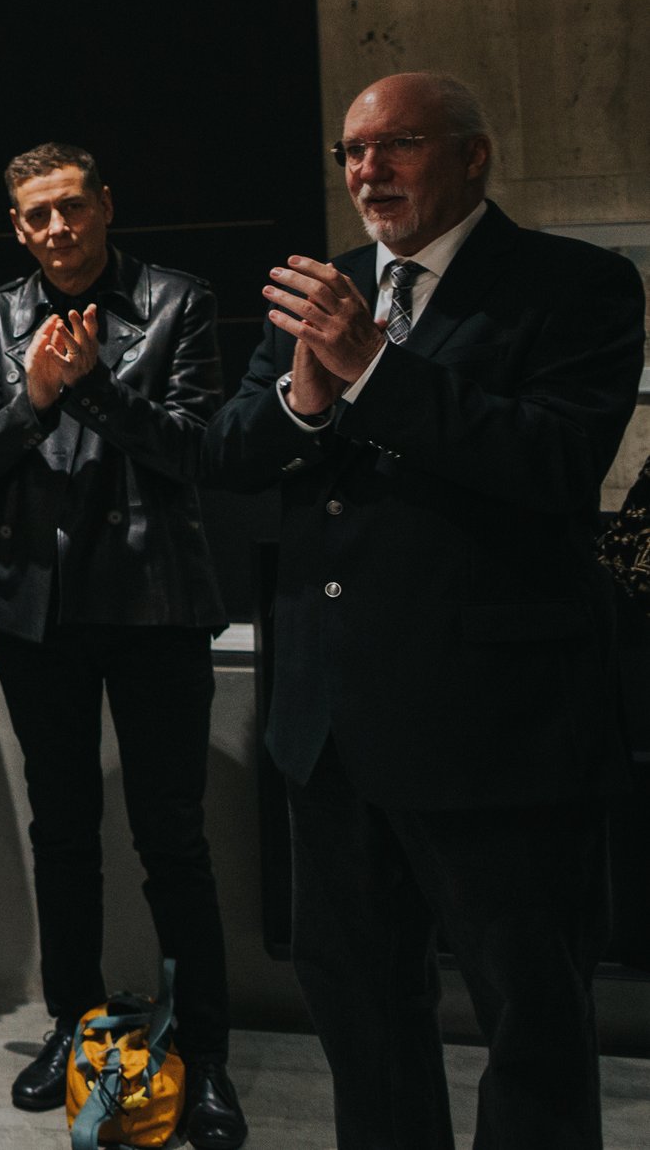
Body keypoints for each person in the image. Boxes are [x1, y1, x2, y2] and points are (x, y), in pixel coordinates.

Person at [209, 72, 644, 1150]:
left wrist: (369, 365)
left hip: (498, 731)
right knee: (363, 1018)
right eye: (351, 152)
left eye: (396, 145)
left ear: (471, 156)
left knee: (531, 1023)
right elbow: (225, 454)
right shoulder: (327, 288)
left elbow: (553, 461)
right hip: (331, 733)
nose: (368, 170)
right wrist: (303, 397)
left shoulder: (574, 284)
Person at [0, 143, 245, 1148]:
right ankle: (69, 1028)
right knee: (61, 833)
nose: (57, 229)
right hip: (42, 611)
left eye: (71, 207)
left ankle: (205, 1055)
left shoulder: (177, 300)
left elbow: (197, 446)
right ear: (17, 227)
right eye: (35, 216)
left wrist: (91, 388)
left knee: (173, 841)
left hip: (154, 603)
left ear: (105, 205)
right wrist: (31, 395)